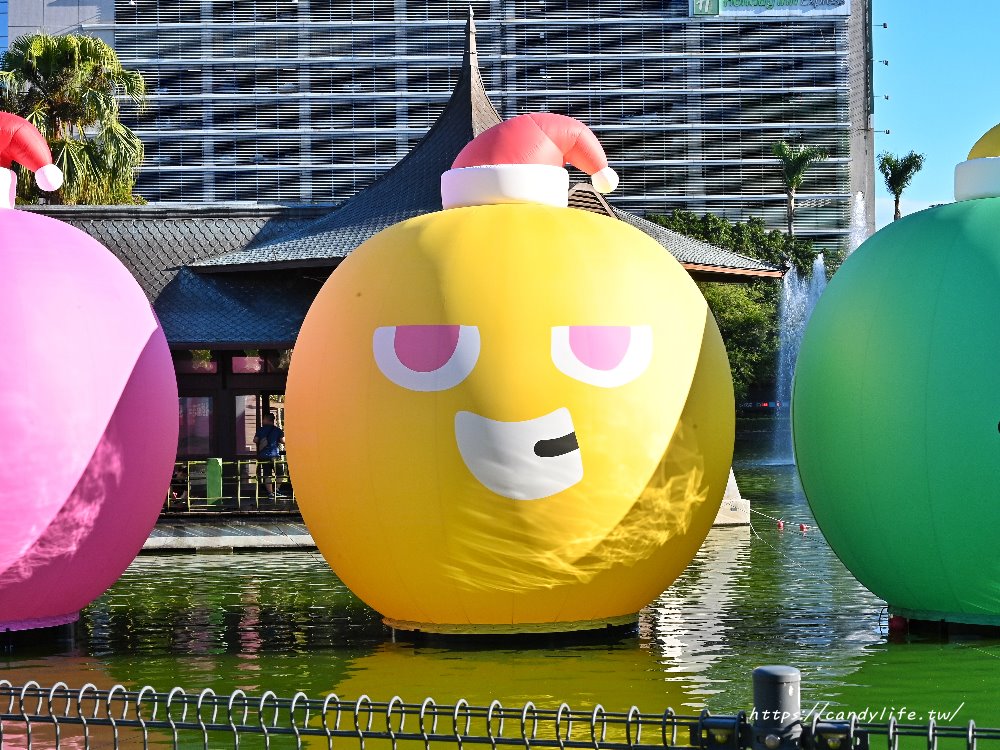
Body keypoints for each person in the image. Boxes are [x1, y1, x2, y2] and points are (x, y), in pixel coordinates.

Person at [254, 412, 286, 499]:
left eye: (263, 419)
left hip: (263, 456)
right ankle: (277, 489)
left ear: (267, 420)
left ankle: (270, 493)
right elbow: (283, 441)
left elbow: (255, 440)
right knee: (280, 473)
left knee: (267, 475)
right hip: (274, 455)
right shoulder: (277, 430)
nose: (262, 420)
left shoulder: (260, 430)